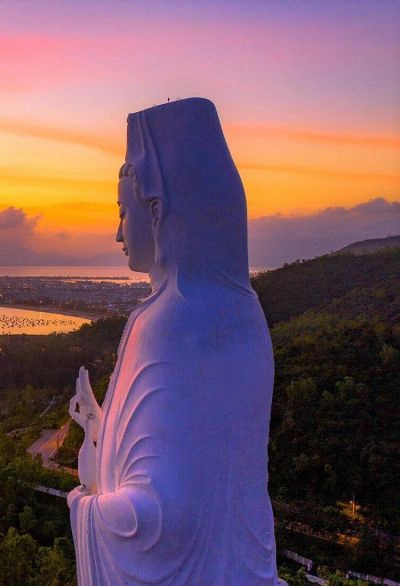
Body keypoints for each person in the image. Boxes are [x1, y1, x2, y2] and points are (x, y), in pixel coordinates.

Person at [68, 98, 281, 585]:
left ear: (158, 210)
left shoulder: (166, 321)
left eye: (124, 212)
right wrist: (102, 429)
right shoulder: (246, 313)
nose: (118, 233)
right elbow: (205, 478)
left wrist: (84, 507)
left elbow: (162, 522)